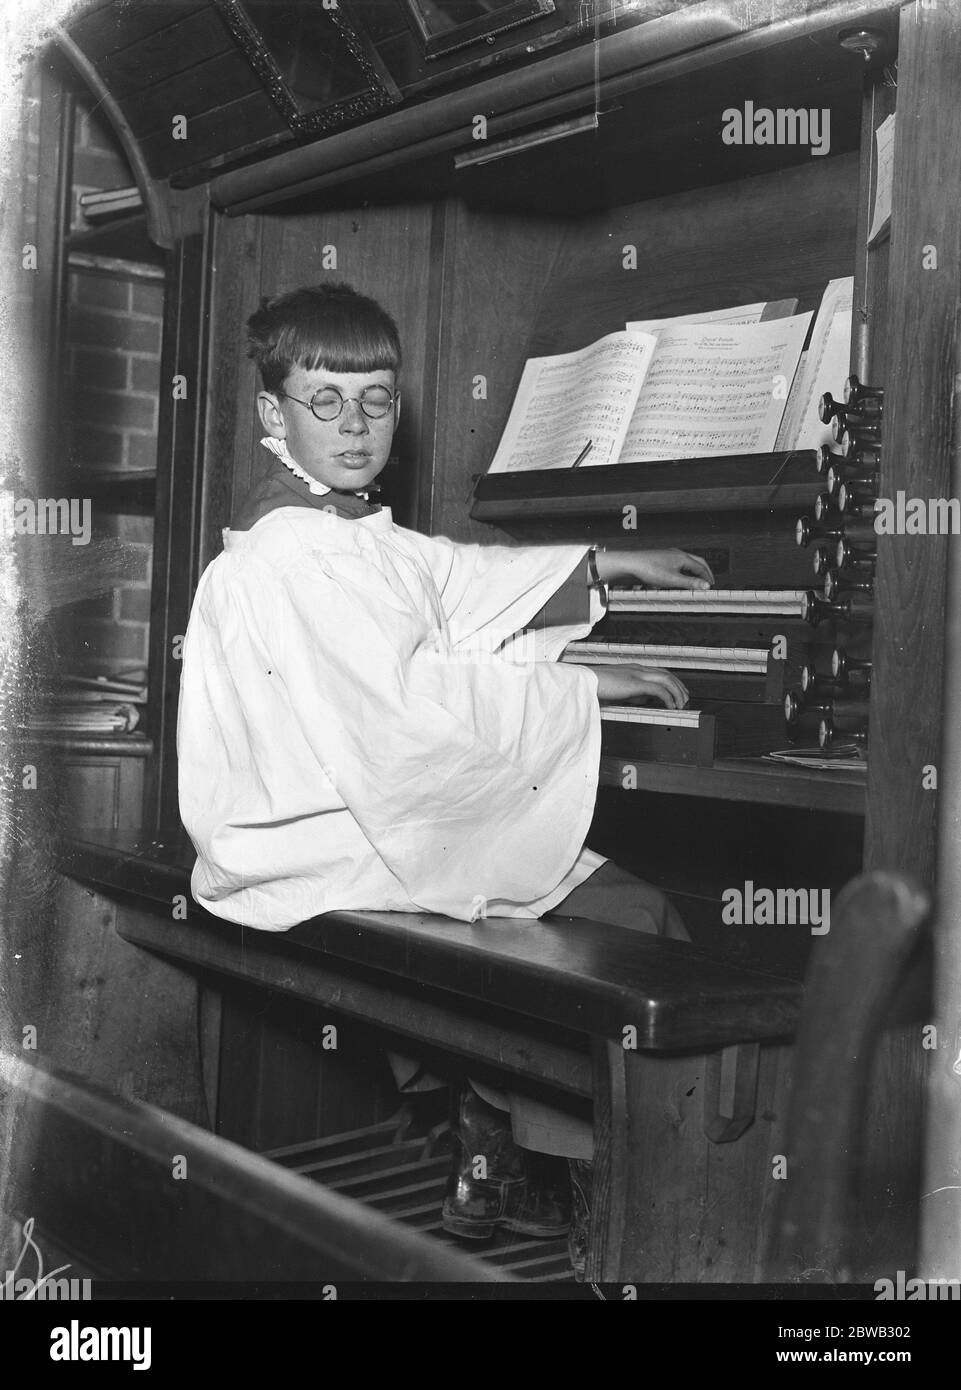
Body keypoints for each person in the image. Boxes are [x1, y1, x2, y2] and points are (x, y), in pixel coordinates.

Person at [176, 282, 713, 1276]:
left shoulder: (323, 525)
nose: (355, 424)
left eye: (376, 400)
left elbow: (443, 581)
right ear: (271, 413)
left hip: (320, 815)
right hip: (318, 832)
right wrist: (574, 676)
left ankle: (487, 1129)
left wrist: (601, 563)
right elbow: (402, 709)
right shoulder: (295, 553)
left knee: (555, 883)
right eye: (324, 400)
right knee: (627, 920)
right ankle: (611, 1202)